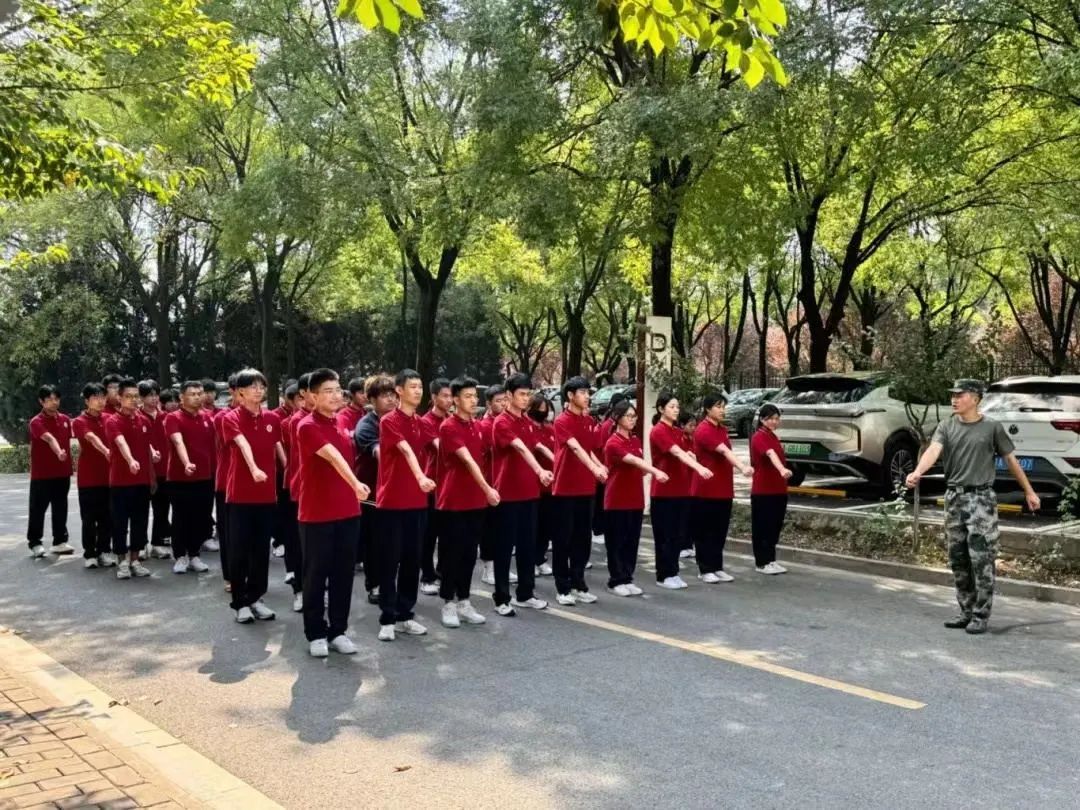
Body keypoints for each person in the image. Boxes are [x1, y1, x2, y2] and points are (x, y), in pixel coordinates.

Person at [906, 379, 1041, 635]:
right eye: (953, 395)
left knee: (982, 558)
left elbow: (1011, 460)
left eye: (961, 395)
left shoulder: (992, 427)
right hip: (954, 498)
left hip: (981, 499)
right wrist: (918, 471)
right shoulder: (947, 426)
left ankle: (981, 614)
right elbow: (933, 451)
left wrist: (1029, 491)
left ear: (976, 399)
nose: (954, 399)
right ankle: (966, 611)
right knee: (958, 557)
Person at [297, 368, 369, 657]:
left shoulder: (342, 423)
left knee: (343, 574)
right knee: (316, 575)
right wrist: (356, 483)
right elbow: (333, 456)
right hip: (317, 514)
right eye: (328, 391)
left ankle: (338, 630)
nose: (336, 395)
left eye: (338, 390)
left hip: (348, 512)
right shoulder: (306, 426)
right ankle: (315, 633)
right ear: (312, 396)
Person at [375, 369, 436, 641]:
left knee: (413, 560)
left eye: (420, 386)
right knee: (390, 561)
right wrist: (420, 476)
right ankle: (387, 618)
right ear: (399, 390)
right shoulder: (389, 420)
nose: (418, 391)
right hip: (392, 502)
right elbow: (406, 450)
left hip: (417, 503)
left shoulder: (421, 423)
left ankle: (405, 615)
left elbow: (437, 446)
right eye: (413, 386)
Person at [436, 377, 499, 628]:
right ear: (455, 399)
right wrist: (488, 488)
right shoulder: (448, 427)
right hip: (453, 501)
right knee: (452, 554)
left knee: (470, 554)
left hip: (476, 501)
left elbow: (487, 457)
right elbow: (468, 461)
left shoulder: (478, 426)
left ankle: (464, 601)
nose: (473, 400)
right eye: (468, 396)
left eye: (475, 396)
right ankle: (448, 603)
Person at [222, 369, 284, 624]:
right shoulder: (230, 418)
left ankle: (256, 597)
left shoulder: (272, 419)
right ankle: (240, 603)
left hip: (266, 496)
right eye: (252, 386)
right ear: (239, 392)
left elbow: (278, 448)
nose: (258, 390)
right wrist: (254, 468)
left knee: (260, 550)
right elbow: (242, 443)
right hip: (240, 496)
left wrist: (290, 470)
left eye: (261, 385)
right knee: (239, 550)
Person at [490, 373, 553, 616]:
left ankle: (525, 594)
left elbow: (537, 446)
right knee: (504, 549)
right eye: (522, 394)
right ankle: (501, 598)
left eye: (528, 394)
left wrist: (555, 463)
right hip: (507, 495)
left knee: (528, 546)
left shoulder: (527, 422)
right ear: (509, 395)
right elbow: (520, 447)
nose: (526, 399)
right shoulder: (502, 422)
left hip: (529, 494)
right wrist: (540, 470)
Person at [551, 376, 608, 605]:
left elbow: (588, 449)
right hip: (565, 489)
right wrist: (594, 468)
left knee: (582, 539)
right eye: (582, 392)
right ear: (570, 395)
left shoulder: (588, 421)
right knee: (563, 540)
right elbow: (575, 448)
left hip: (586, 488)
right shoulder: (561, 421)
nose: (587, 396)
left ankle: (579, 583)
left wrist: (599, 465)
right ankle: (562, 588)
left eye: (588, 392)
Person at [649, 392, 712, 589]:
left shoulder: (677, 431)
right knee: (665, 536)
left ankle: (673, 571)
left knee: (677, 535)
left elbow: (684, 452)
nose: (676, 410)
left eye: (677, 406)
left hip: (681, 490)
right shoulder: (658, 431)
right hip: (663, 491)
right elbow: (676, 452)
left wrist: (691, 456)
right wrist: (699, 467)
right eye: (671, 406)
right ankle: (663, 575)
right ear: (661, 409)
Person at [604, 400, 668, 595]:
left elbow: (638, 466)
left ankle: (627, 577)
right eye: (628, 416)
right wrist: (656, 471)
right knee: (617, 542)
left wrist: (646, 470)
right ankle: (616, 580)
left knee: (631, 541)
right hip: (617, 500)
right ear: (617, 418)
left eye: (634, 416)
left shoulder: (635, 440)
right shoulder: (613, 442)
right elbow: (632, 460)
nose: (632, 420)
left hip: (635, 499)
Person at [692, 392, 753, 583]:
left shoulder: (722, 429)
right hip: (706, 489)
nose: (722, 410)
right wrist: (742, 466)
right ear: (707, 409)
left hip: (723, 488)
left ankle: (716, 566)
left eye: (723, 407)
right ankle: (705, 569)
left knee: (719, 530)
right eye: (718, 407)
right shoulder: (703, 430)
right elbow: (724, 451)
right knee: (706, 531)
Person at [105, 379, 158, 579]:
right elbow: (120, 442)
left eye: (136, 396)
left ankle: (135, 560)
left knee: (140, 522)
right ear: (119, 398)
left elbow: (146, 446)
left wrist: (152, 476)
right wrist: (130, 460)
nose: (133, 400)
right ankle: (122, 561)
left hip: (141, 481)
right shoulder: (112, 421)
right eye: (128, 396)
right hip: (120, 481)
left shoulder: (144, 421)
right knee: (120, 523)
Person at [164, 381, 215, 576]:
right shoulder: (173, 418)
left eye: (199, 393)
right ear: (181, 397)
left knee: (200, 516)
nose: (197, 397)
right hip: (180, 477)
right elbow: (178, 441)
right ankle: (180, 556)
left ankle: (194, 555)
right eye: (192, 394)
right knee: (181, 517)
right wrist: (186, 463)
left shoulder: (208, 417)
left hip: (205, 476)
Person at [354, 374, 396, 604]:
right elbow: (381, 455)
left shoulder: (399, 421)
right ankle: (375, 584)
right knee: (375, 541)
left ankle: (389, 582)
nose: (391, 399)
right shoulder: (367, 425)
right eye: (384, 395)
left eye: (393, 394)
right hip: (371, 492)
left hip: (395, 491)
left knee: (392, 541)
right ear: (371, 399)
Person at [27, 384, 75, 558]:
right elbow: (49, 438)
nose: (54, 402)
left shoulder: (65, 419)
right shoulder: (36, 422)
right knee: (38, 509)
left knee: (60, 507)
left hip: (62, 472)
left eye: (56, 398)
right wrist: (59, 452)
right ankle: (35, 542)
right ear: (41, 401)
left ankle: (59, 541)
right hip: (42, 475)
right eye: (49, 399)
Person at [281, 374, 313, 610]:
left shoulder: (332, 419)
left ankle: (316, 589)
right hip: (300, 490)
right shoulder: (296, 422)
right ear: (303, 394)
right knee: (298, 542)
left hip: (321, 492)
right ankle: (300, 590)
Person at [749, 403, 792, 575]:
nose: (774, 421)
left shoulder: (773, 436)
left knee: (774, 526)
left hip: (778, 489)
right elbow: (770, 454)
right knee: (763, 527)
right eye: (770, 418)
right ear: (762, 419)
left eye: (776, 418)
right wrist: (782, 469)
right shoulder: (759, 437)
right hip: (763, 490)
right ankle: (762, 562)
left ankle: (771, 559)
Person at [72, 383, 112, 567]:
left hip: (109, 476)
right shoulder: (79, 421)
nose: (100, 401)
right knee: (89, 518)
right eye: (95, 398)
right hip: (88, 478)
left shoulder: (109, 419)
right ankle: (90, 554)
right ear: (87, 401)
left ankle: (104, 551)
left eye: (103, 397)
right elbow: (91, 438)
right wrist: (106, 451)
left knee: (107, 517)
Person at [419, 378, 452, 595]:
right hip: (433, 483)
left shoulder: (451, 419)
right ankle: (427, 576)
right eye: (444, 396)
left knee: (447, 533)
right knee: (429, 534)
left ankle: (442, 571)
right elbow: (442, 448)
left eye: (451, 396)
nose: (449, 400)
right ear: (433, 397)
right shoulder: (426, 421)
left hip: (451, 484)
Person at [478, 384, 510, 586]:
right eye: (498, 401)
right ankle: (488, 567)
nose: (503, 404)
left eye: (505, 400)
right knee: (490, 528)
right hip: (489, 482)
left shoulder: (507, 422)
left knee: (503, 529)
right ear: (489, 404)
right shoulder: (485, 425)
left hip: (505, 482)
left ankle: (500, 567)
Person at [139, 380, 172, 560]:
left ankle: (157, 543)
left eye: (155, 394)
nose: (153, 398)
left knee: (162, 509)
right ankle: (140, 544)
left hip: (163, 470)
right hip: (143, 472)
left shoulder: (166, 417)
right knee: (141, 510)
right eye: (149, 395)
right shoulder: (136, 417)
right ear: (141, 398)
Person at [212, 376, 238, 584]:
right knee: (229, 533)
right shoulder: (223, 417)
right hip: (228, 483)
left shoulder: (264, 417)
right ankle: (231, 576)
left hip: (255, 486)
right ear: (233, 391)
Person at [527, 392, 556, 577]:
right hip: (533, 485)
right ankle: (530, 560)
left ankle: (540, 557)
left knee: (546, 525)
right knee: (532, 527)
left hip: (549, 486)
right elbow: (538, 448)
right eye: (540, 409)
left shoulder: (550, 429)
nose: (544, 412)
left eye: (546, 409)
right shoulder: (528, 428)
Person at [270, 380, 297, 560]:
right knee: (282, 508)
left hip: (296, 471)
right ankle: (278, 541)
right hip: (281, 470)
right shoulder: (276, 416)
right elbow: (275, 443)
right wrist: (286, 464)